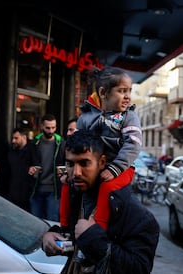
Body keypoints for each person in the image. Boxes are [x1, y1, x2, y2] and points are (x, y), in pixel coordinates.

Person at [42, 130, 159, 274]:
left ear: (102, 162)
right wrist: (51, 237)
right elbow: (77, 246)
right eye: (70, 164)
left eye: (84, 163)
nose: (76, 172)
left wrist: (92, 238)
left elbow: (139, 269)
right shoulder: (76, 196)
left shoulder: (138, 215)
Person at [60, 66, 142, 231]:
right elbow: (75, 145)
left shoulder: (129, 117)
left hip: (122, 167)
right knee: (68, 184)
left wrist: (114, 169)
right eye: (121, 91)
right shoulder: (85, 117)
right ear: (104, 93)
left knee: (107, 186)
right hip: (96, 167)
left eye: (129, 91)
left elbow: (133, 144)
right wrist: (67, 170)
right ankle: (64, 225)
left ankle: (98, 226)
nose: (128, 97)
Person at [29, 114, 65, 222]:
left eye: (53, 127)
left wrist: (64, 171)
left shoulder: (61, 143)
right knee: (35, 222)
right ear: (41, 126)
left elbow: (68, 163)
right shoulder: (35, 143)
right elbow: (26, 161)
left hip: (54, 190)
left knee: (52, 222)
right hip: (36, 188)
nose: (50, 131)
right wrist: (29, 168)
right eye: (48, 128)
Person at [5, 128, 36, 211]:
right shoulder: (12, 151)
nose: (13, 141)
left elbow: (37, 168)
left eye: (16, 138)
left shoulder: (33, 150)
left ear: (24, 137)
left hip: (27, 193)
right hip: (13, 192)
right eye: (13, 138)